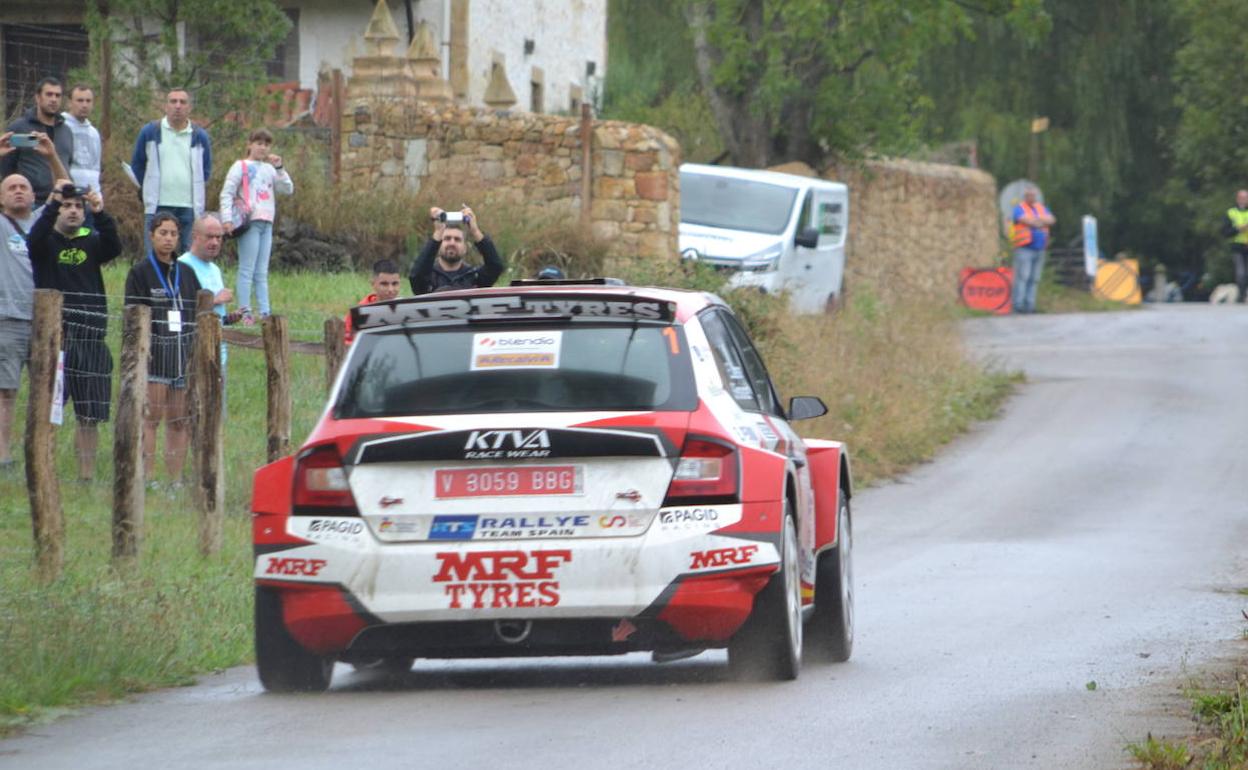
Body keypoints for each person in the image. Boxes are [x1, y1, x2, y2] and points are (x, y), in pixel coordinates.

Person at [27, 179, 121, 481]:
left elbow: (114, 246)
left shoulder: (92, 241)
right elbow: (33, 240)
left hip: (91, 338)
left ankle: (86, 476)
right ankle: (43, 469)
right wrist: (52, 200)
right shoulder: (45, 243)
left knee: (89, 414)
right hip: (56, 339)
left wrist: (100, 212)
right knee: (48, 410)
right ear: (57, 210)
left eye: (77, 207)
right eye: (67, 206)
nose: (72, 211)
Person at [124, 212, 203, 483]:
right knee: (151, 418)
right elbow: (132, 316)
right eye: (163, 233)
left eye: (173, 234)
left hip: (183, 357)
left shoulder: (188, 273)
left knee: (179, 421)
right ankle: (148, 478)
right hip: (155, 356)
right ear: (152, 236)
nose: (168, 239)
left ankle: (174, 480)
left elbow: (199, 312)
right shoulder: (140, 273)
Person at [219, 128, 293, 325]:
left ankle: (265, 311)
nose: (263, 148)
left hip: (267, 222)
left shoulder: (270, 169)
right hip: (249, 221)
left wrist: (280, 168)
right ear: (249, 144)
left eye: (267, 144)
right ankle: (245, 311)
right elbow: (227, 192)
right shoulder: (240, 166)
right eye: (259, 143)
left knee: (262, 270)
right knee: (247, 268)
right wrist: (226, 219)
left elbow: (287, 189)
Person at [131, 89, 212, 254]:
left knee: (189, 259)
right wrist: (147, 188)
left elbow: (206, 170)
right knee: (155, 258)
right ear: (165, 106)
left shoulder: (200, 136)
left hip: (190, 208)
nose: (178, 106)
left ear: (189, 107)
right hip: (157, 205)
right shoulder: (150, 132)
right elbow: (137, 165)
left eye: (183, 102)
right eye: (173, 101)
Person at [0, 168, 42, 468]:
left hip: (45, 321)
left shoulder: (44, 224)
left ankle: (39, 454)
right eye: (11, 187)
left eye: (23, 187)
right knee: (6, 391)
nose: (17, 191)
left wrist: (51, 155)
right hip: (9, 319)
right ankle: (2, 455)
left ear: (33, 195)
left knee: (45, 393)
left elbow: (68, 187)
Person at [178, 214, 240, 378]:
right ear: (195, 237)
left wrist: (228, 318)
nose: (214, 242)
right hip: (194, 353)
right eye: (209, 237)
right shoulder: (182, 266)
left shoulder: (215, 269)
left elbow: (214, 313)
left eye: (219, 237)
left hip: (219, 352)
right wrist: (217, 299)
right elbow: (183, 307)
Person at [0, 77, 74, 204]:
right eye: (49, 94)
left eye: (57, 95)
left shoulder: (66, 131)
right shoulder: (19, 128)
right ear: (38, 97)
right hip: (31, 202)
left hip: (61, 200)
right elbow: (7, 168)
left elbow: (68, 164)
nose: (53, 99)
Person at [409, 206, 504, 294]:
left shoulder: (475, 277)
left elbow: (495, 267)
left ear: (465, 248)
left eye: (457, 239)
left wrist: (475, 231)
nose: (452, 243)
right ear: (438, 245)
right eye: (447, 239)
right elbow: (415, 276)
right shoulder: (428, 278)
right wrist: (438, 232)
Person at [1010, 186, 1056, 314]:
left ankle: (1030, 306)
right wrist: (1041, 221)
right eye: (1029, 195)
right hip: (1025, 248)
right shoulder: (1019, 208)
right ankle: (1018, 306)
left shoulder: (1041, 208)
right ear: (1025, 196)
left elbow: (1052, 220)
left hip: (1040, 248)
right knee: (1023, 277)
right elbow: (1028, 221)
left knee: (1034, 279)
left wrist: (1037, 221)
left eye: (1033, 195)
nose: (1032, 197)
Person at [344, 259, 402, 345]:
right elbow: (347, 343)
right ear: (373, 284)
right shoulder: (358, 313)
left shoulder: (406, 308)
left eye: (395, 284)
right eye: (384, 284)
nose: (390, 289)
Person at [62, 84, 103, 207]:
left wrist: (98, 195)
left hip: (91, 198)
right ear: (70, 103)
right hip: (69, 199)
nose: (84, 105)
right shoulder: (62, 127)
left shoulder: (93, 132)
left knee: (88, 227)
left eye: (88, 101)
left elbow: (95, 168)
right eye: (80, 100)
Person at [1221, 189, 1248, 303]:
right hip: (1237, 247)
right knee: (1241, 273)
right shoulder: (1231, 212)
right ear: (1237, 199)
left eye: (1246, 198)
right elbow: (1225, 232)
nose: (1244, 200)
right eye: (1242, 198)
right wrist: (1239, 228)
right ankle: (1241, 296)